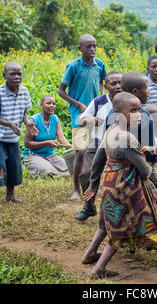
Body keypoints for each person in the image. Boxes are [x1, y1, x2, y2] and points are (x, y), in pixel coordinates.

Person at [81, 72, 157, 272]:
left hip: (111, 184)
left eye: (138, 110)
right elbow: (146, 167)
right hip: (132, 185)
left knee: (110, 224)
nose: (138, 114)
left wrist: (94, 185)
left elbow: (100, 157)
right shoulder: (141, 123)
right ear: (135, 92)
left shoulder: (112, 125)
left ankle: (91, 255)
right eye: (146, 88)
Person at [57, 34, 107, 201]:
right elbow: (61, 91)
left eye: (94, 45)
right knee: (80, 152)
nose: (92, 49)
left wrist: (102, 96)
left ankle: (94, 186)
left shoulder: (99, 64)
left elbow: (102, 82)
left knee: (97, 152)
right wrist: (77, 104)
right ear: (80, 48)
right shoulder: (73, 66)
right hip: (79, 116)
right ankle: (76, 188)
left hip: (96, 114)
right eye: (88, 46)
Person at [0, 62, 37, 207]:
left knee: (13, 165)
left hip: (13, 137)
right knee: (0, 166)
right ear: (4, 76)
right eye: (12, 74)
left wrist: (27, 123)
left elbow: (24, 112)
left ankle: (10, 196)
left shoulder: (24, 91)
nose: (16, 77)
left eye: (19, 74)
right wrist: (10, 124)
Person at [75, 71, 123, 221]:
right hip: (97, 142)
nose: (118, 86)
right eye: (113, 83)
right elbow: (80, 120)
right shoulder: (99, 101)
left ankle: (120, 210)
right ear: (106, 86)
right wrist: (92, 120)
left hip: (119, 145)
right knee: (85, 174)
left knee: (119, 179)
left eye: (120, 83)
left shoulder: (127, 100)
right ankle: (89, 207)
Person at [23, 95, 71, 177]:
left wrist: (71, 148)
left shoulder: (55, 119)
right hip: (33, 155)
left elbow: (61, 138)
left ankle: (54, 171)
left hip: (49, 155)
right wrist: (47, 143)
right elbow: (27, 143)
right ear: (41, 105)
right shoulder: (34, 120)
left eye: (53, 104)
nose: (52, 106)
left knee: (69, 169)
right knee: (49, 172)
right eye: (48, 103)